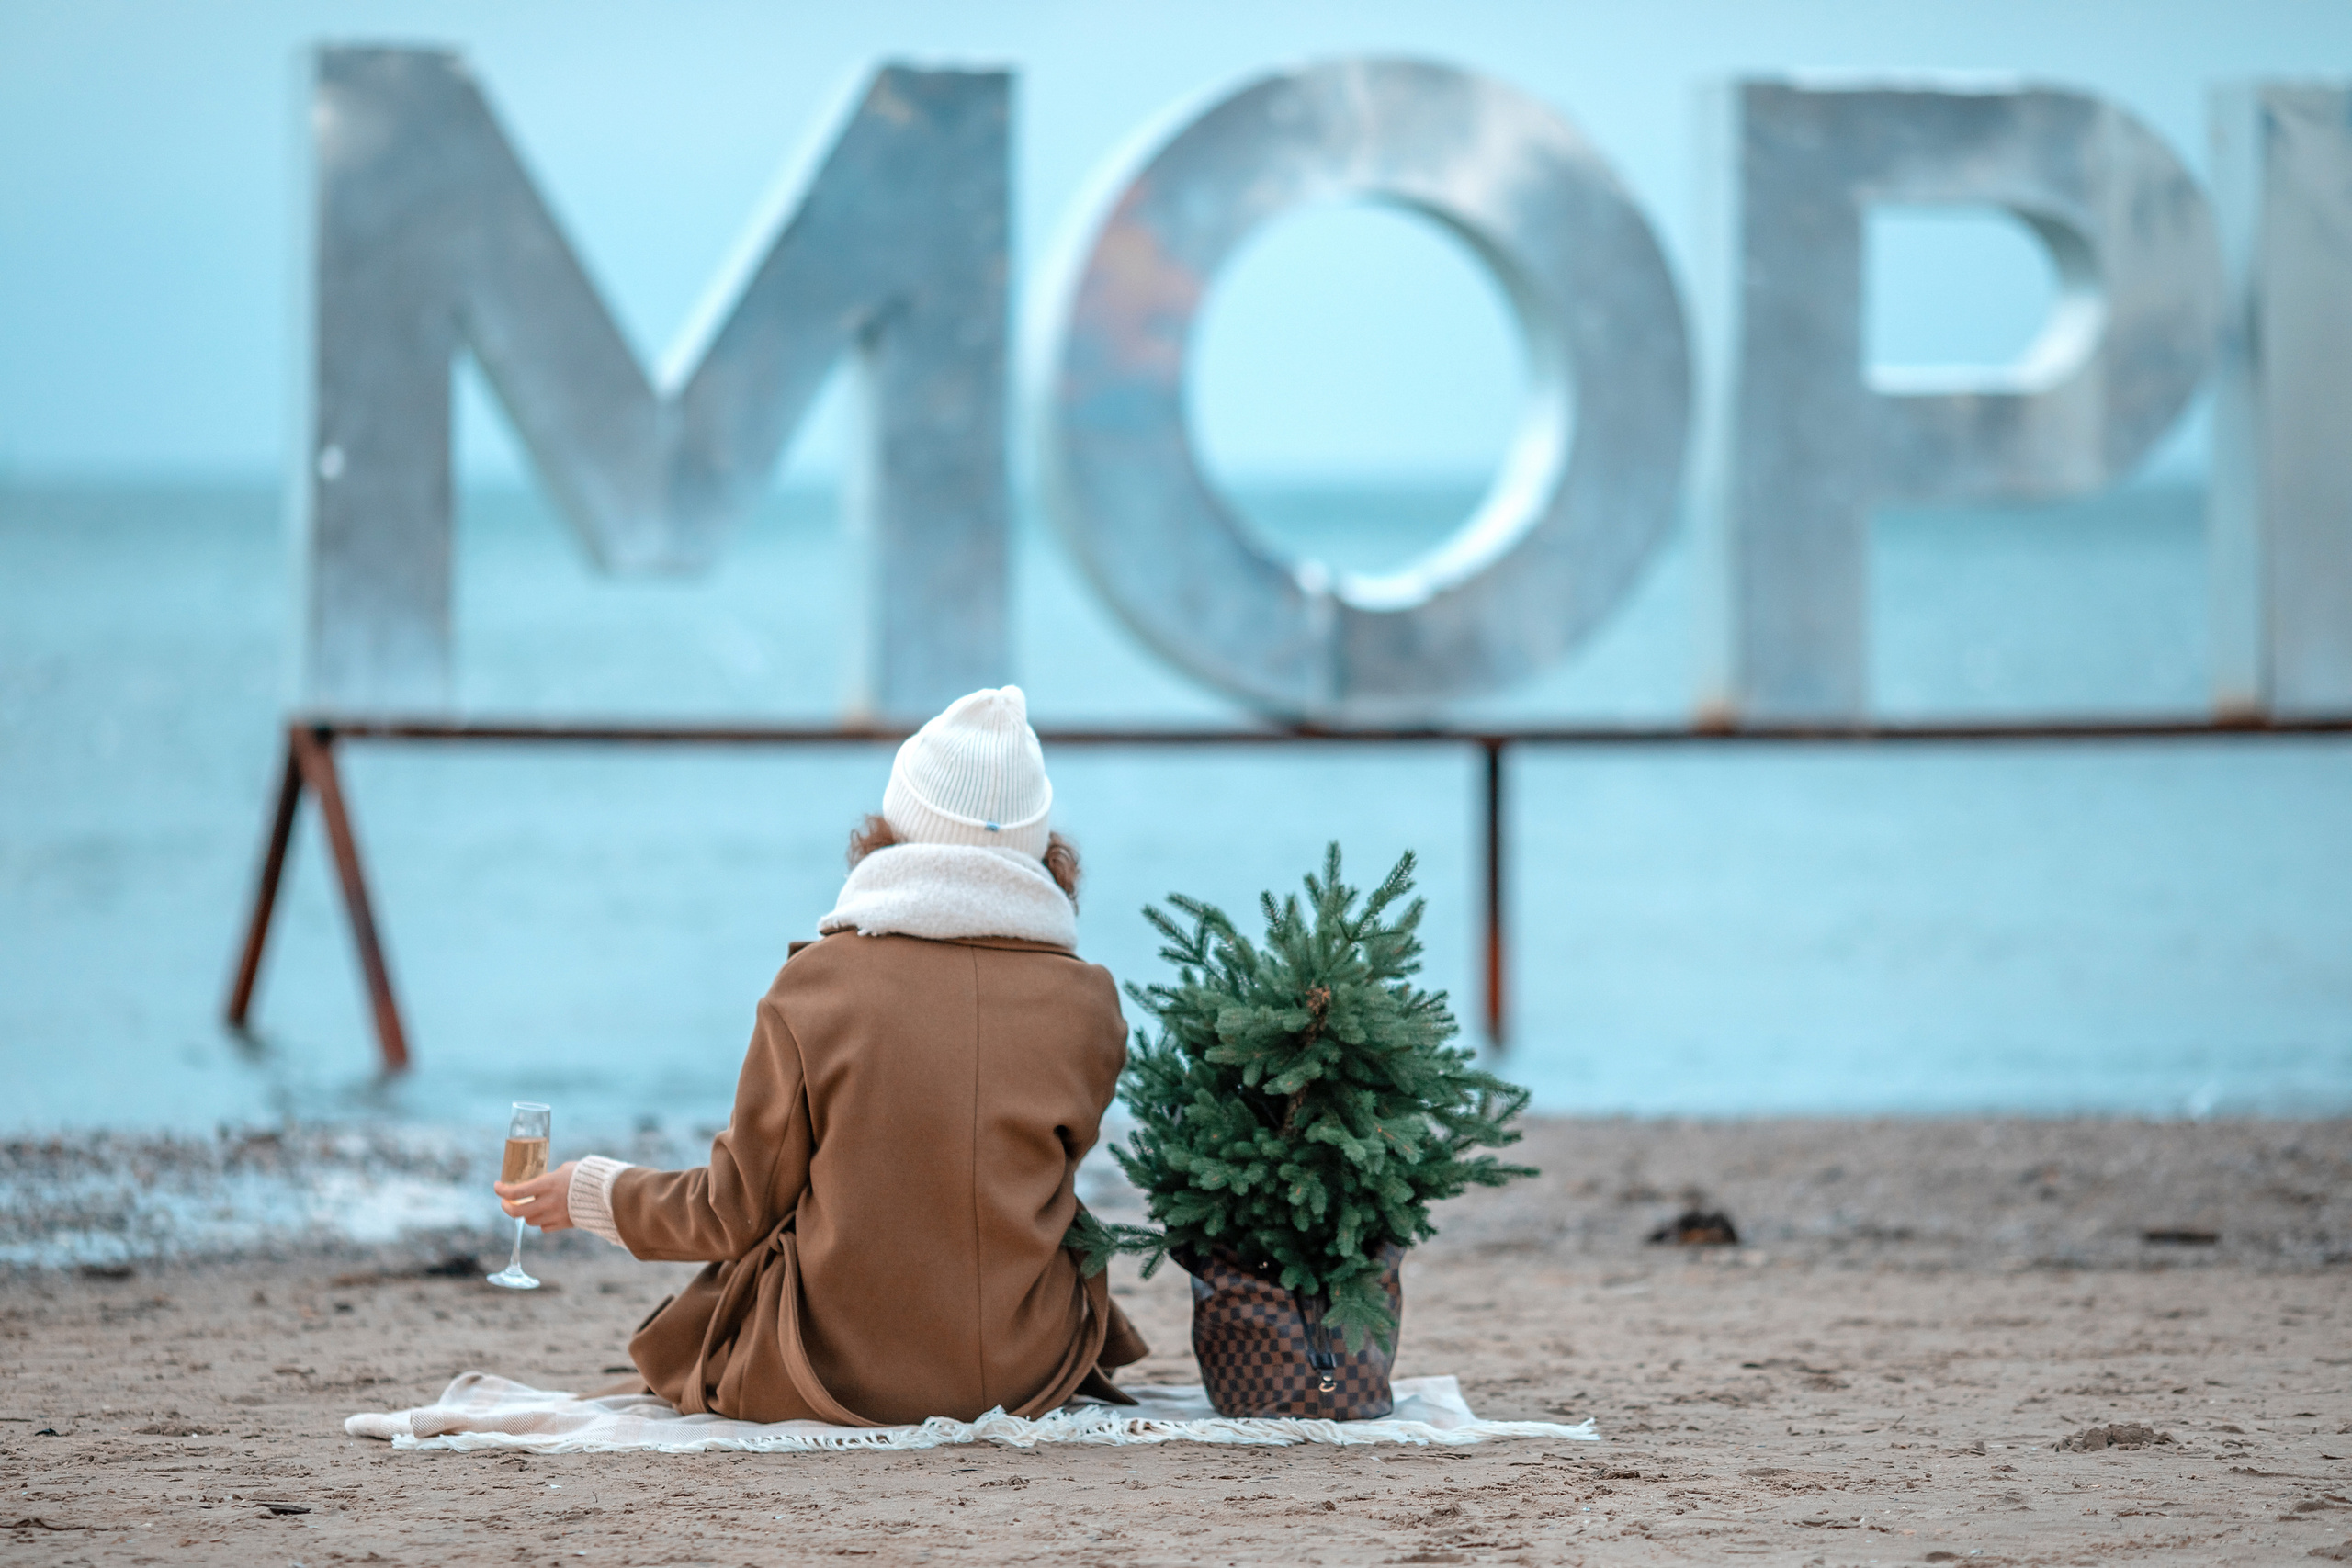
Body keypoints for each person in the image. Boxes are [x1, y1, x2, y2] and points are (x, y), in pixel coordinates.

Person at [495, 686, 1147, 1424]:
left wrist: (595, 1191)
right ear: (1039, 848)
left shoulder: (817, 986)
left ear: (897, 829)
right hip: (1032, 1366)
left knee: (774, 1224)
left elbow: (734, 1209)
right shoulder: (1091, 1003)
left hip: (835, 1373)